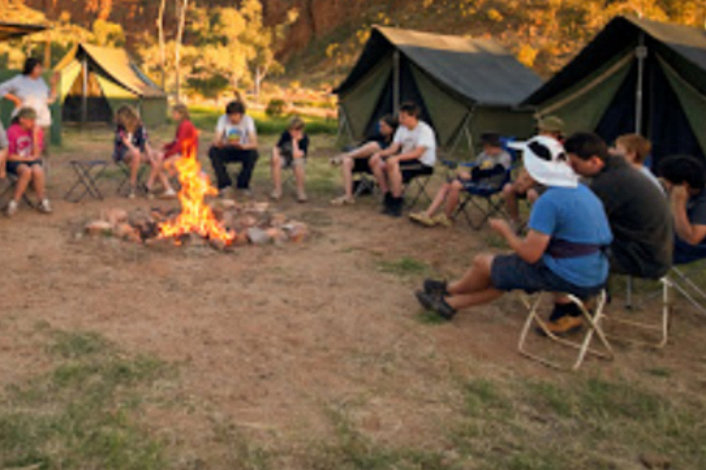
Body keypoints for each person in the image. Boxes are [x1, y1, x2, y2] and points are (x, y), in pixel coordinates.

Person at [415, 136, 612, 320]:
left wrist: (506, 231)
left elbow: (530, 255)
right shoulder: (581, 190)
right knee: (502, 270)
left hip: (571, 274)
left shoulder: (550, 201)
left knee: (485, 264)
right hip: (596, 270)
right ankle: (449, 296)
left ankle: (449, 297)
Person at [543, 132, 673, 334]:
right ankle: (586, 298)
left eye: (575, 164)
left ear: (595, 161)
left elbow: (579, 223)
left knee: (566, 251)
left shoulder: (611, 182)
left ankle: (570, 313)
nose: (572, 169)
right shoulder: (617, 171)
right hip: (644, 246)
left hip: (643, 256)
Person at [408, 132, 511, 227]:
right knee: (447, 185)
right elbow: (476, 169)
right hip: (478, 181)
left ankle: (447, 216)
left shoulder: (504, 157)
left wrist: (472, 176)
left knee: (456, 184)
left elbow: (496, 171)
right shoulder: (483, 155)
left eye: (487, 147)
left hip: (492, 184)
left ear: (493, 146)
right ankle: (428, 214)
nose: (485, 150)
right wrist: (468, 175)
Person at [370, 102, 436, 217]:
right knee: (375, 162)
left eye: (403, 117)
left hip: (422, 163)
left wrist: (396, 158)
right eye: (400, 116)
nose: (400, 120)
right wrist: (379, 154)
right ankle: (387, 196)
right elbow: (393, 148)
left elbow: (418, 153)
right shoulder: (402, 129)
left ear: (413, 116)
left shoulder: (424, 130)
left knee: (392, 164)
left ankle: (397, 202)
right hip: (406, 160)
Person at [502, 116, 565, 228]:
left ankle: (539, 224)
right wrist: (520, 181)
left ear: (555, 134)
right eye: (540, 131)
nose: (540, 134)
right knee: (508, 188)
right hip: (531, 179)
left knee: (532, 194)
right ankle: (515, 220)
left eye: (544, 132)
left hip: (549, 184)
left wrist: (528, 183)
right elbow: (525, 166)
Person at [330, 114, 398, 206]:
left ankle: (342, 156)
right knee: (347, 161)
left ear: (391, 129)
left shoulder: (395, 141)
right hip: (363, 160)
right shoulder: (376, 135)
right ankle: (348, 196)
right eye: (380, 126)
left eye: (383, 126)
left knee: (373, 146)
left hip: (378, 164)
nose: (380, 128)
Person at [0, 57, 58, 157]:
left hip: (42, 121)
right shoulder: (19, 80)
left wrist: (53, 85)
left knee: (42, 153)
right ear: (30, 67)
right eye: (38, 67)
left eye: (41, 67)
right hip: (25, 123)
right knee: (23, 151)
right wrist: (15, 99)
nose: (41, 70)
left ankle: (41, 167)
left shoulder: (41, 81)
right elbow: (1, 89)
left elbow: (51, 99)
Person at [658, 155, 706, 264]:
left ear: (683, 185)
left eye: (667, 181)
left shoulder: (702, 201)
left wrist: (678, 203)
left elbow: (691, 240)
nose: (664, 184)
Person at [5, 107, 52, 216]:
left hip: (31, 159)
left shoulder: (36, 130)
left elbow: (36, 155)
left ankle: (42, 200)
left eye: (34, 120)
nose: (33, 122)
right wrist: (26, 159)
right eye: (30, 120)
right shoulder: (12, 131)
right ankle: (14, 202)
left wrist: (35, 136)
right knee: (26, 171)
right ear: (22, 119)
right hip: (15, 160)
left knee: (37, 170)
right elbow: (8, 156)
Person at [208, 100, 259, 197]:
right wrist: (222, 143)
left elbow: (254, 143)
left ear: (241, 115)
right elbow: (216, 140)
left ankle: (243, 184)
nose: (233, 118)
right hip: (227, 148)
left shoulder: (248, 120)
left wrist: (243, 146)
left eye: (236, 115)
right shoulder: (222, 119)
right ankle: (224, 184)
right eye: (230, 115)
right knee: (213, 152)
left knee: (253, 154)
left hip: (242, 149)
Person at [112, 105, 165, 199]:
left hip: (138, 153)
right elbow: (125, 141)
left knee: (159, 155)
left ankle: (149, 185)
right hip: (123, 153)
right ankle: (132, 186)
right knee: (136, 153)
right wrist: (135, 152)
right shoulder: (120, 127)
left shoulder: (139, 126)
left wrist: (151, 158)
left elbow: (145, 143)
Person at [152, 104, 198, 194]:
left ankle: (166, 188)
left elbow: (178, 146)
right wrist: (165, 146)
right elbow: (176, 142)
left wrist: (166, 155)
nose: (172, 115)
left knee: (158, 166)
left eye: (174, 113)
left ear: (180, 114)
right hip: (185, 154)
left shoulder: (185, 125)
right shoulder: (184, 124)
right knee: (163, 165)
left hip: (186, 156)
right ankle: (161, 186)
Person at [270, 117, 309, 202]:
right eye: (292, 130)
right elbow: (277, 147)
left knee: (298, 164)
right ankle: (277, 189)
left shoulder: (304, 138)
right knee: (276, 162)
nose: (293, 133)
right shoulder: (285, 135)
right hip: (285, 157)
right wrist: (275, 154)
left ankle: (300, 191)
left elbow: (297, 154)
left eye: (297, 130)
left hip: (298, 158)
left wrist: (295, 141)